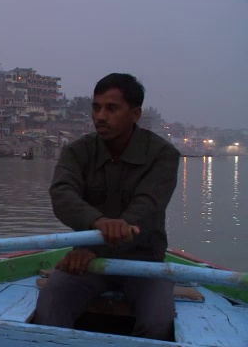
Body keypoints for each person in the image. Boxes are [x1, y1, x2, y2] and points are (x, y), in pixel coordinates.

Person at [32, 73, 181, 341]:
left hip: (143, 262)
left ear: (135, 114)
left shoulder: (163, 155)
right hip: (87, 261)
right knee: (50, 309)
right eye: (96, 107)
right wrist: (98, 223)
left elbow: (147, 206)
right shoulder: (77, 152)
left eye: (111, 108)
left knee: (158, 324)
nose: (100, 116)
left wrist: (96, 245)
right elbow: (62, 195)